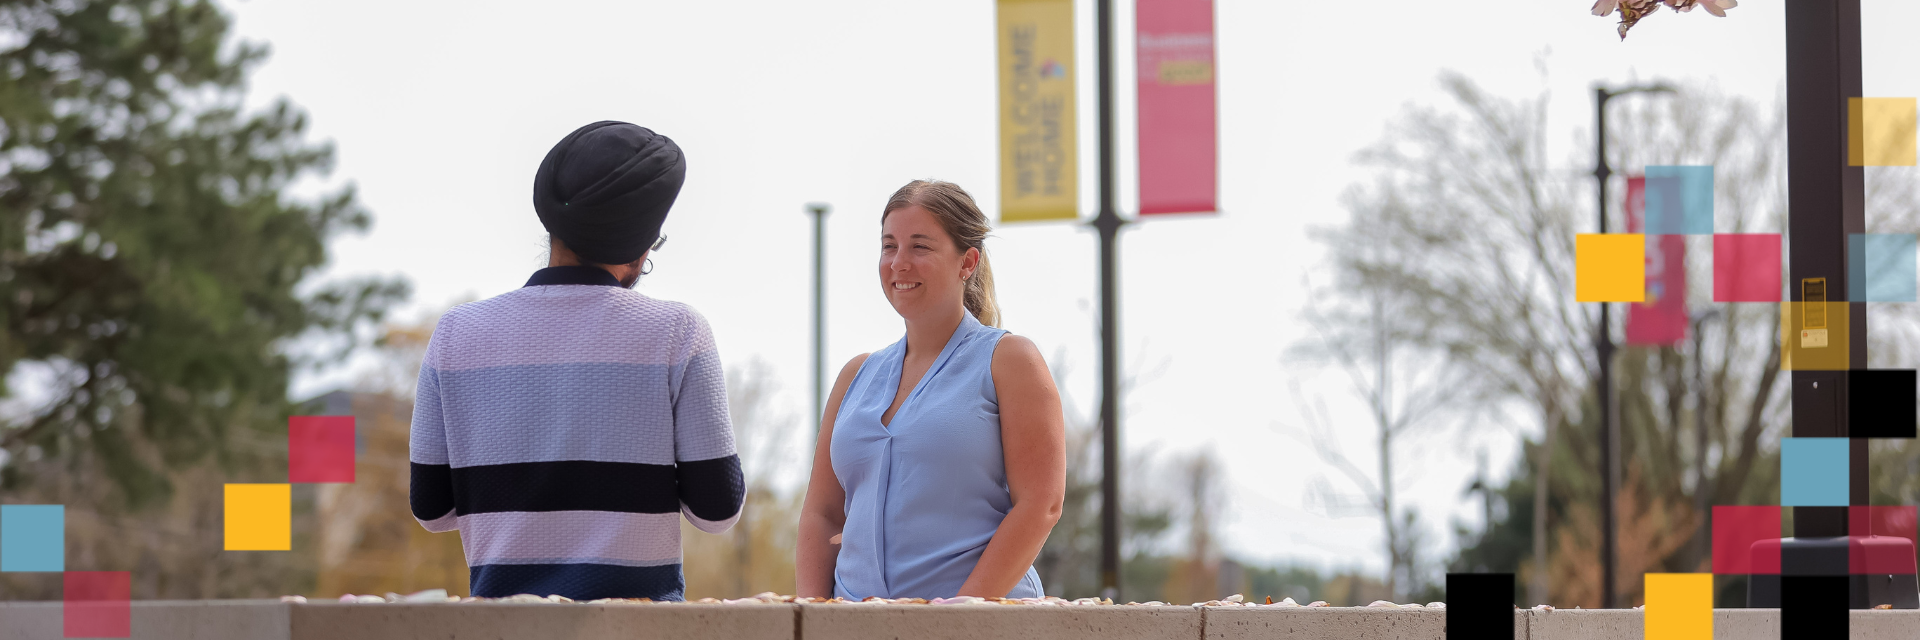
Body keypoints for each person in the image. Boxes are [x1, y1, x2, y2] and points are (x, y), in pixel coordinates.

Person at [408, 121, 743, 601]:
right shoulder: (677, 333)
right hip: (636, 634)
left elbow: (433, 510)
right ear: (641, 245)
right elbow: (718, 513)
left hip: (500, 631)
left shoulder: (456, 334)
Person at [797, 179, 1066, 600]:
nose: (899, 263)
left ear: (967, 262)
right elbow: (822, 514)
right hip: (856, 626)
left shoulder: (1009, 360)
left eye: (920, 247)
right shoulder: (856, 375)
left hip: (979, 627)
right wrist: (811, 617)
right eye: (889, 246)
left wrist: (959, 617)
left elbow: (1041, 505)